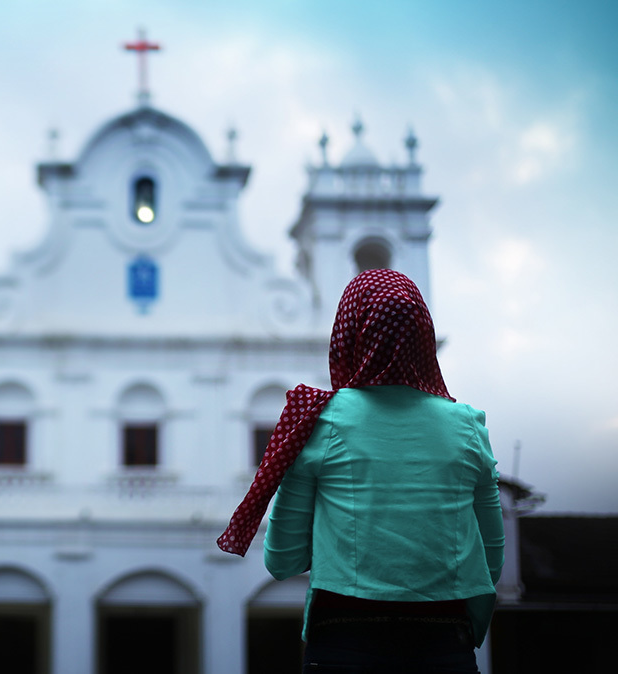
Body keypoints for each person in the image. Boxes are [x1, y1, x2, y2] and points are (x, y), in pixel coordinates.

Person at [216, 269, 504, 673]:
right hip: (444, 646)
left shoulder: (319, 421)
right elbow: (490, 564)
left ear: (348, 335)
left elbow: (282, 560)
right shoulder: (468, 426)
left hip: (343, 645)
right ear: (423, 337)